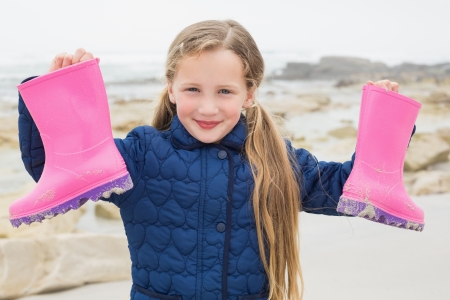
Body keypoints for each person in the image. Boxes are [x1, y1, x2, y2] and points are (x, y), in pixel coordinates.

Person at [17, 20, 403, 300]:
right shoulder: (141, 154)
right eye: (192, 89)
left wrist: (384, 127)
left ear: (249, 93)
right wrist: (56, 100)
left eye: (224, 91)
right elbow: (59, 168)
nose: (207, 106)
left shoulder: (276, 160)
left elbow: (350, 189)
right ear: (171, 88)